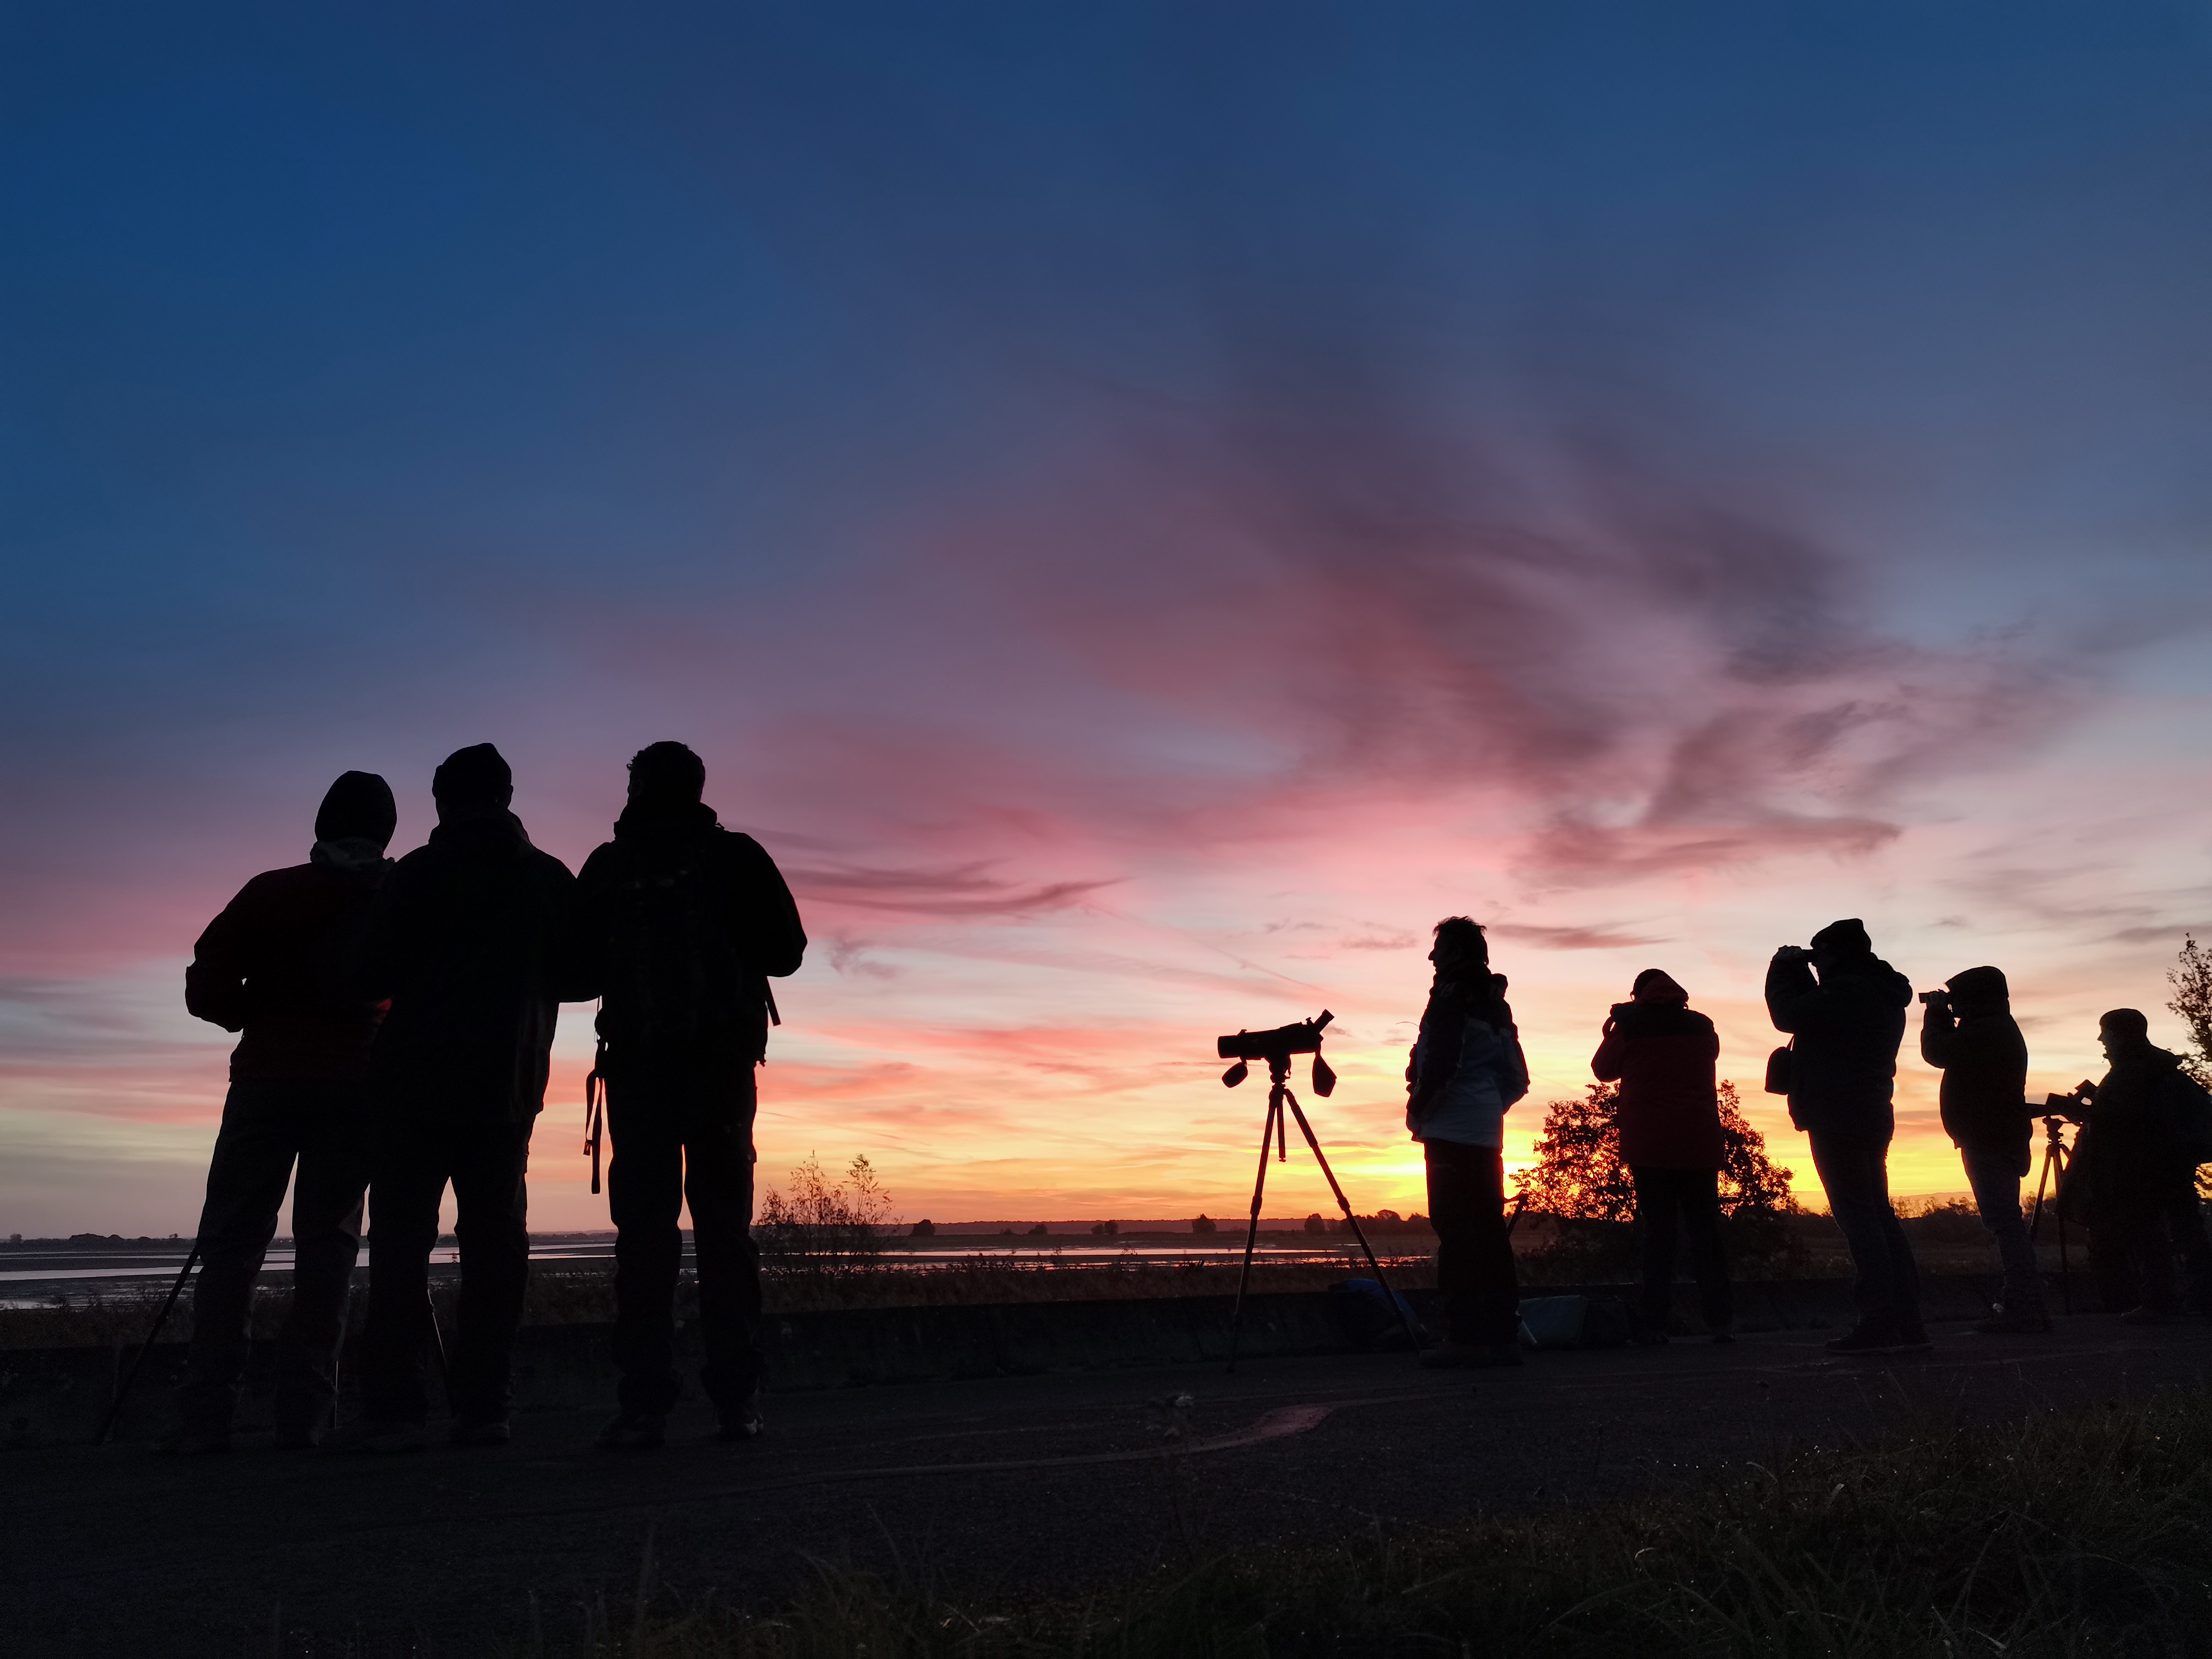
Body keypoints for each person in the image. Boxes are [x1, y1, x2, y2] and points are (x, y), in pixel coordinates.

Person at [573, 743, 806, 1449]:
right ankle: (738, 1403)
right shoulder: (736, 858)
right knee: (724, 1240)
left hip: (640, 1076)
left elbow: (575, 973)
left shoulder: (610, 866)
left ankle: (644, 1407)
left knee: (643, 1242)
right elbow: (788, 954)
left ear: (637, 789)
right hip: (721, 1074)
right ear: (699, 789)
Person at [347, 744, 579, 1449]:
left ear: (442, 800)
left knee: (398, 1250)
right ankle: (485, 1407)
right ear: (507, 796)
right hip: (504, 1092)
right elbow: (582, 973)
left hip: (410, 1089)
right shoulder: (546, 879)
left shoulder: (414, 877)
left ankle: (393, 1410)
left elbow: (368, 972)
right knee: (496, 1250)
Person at [169, 772, 397, 1452]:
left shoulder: (271, 892)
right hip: (356, 1091)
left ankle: (206, 1418)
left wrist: (252, 1017)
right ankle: (305, 1419)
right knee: (328, 1252)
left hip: (265, 1082)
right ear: (385, 834)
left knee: (232, 1248)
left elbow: (204, 985)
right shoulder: (394, 900)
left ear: (322, 825)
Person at [1766, 918, 1924, 1353]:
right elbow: (1815, 1011)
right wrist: (1802, 972)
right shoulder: (1878, 991)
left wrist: (1781, 969)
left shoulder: (1849, 992)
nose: (1818, 968)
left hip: (1838, 1112)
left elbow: (1791, 1015)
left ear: (1837, 956)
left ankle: (1880, 1321)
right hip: (1871, 1109)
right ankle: (1907, 1321)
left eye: (1822, 959)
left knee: (1859, 1218)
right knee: (1878, 1215)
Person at [1405, 917, 1530, 1368]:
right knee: (1491, 1234)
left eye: (1438, 950)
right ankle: (1503, 1336)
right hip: (1485, 1134)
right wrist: (1489, 1108)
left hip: (1449, 1131)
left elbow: (1440, 1063)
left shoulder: (1450, 999)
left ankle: (1465, 1337)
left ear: (1454, 953)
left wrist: (1420, 1111)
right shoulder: (1497, 1005)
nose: (1433, 959)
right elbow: (1517, 1078)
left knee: (1456, 1234)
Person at [1592, 969, 1731, 1343]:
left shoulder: (1629, 1026)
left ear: (1638, 994)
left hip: (1650, 1144)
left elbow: (1602, 1070)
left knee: (1659, 1234)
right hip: (1699, 1141)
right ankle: (1721, 1322)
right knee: (1706, 1233)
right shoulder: (1702, 1026)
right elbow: (1711, 1054)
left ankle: (1655, 1324)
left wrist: (1616, 1027)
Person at [1918, 967, 2044, 1334]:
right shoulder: (1994, 1027)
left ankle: (2023, 1306)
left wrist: (1936, 1016)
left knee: (2005, 1223)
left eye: (1958, 997)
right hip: (1996, 1136)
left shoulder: (1988, 1029)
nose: (1953, 1003)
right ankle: (2025, 1303)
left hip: (1989, 1138)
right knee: (2006, 1222)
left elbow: (1938, 1053)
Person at [2069, 1009, 2212, 1324]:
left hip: (2143, 1165)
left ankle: (2160, 1301)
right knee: (2184, 1225)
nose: (2101, 1039)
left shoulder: (2131, 1071)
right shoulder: (2157, 1066)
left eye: (2105, 1032)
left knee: (2148, 1230)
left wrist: (2082, 1110)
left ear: (2121, 1035)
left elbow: (2124, 1120)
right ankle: (2200, 1296)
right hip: (2171, 1160)